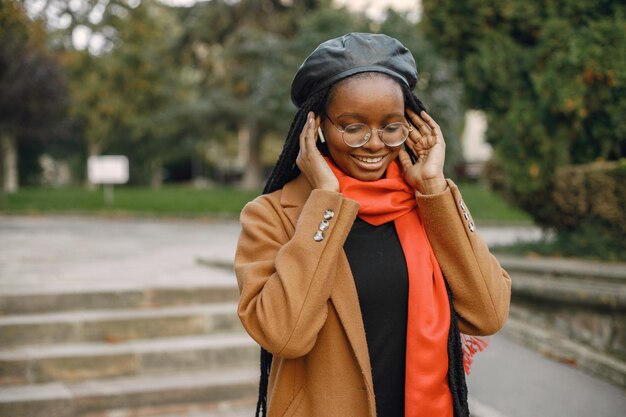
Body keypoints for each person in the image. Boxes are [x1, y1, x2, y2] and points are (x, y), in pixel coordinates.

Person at [235, 32, 511, 417]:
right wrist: (326, 204)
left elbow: (488, 313)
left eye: (391, 126)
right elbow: (285, 335)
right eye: (352, 126)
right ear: (316, 129)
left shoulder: (427, 204)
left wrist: (434, 190)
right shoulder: (272, 215)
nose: (375, 143)